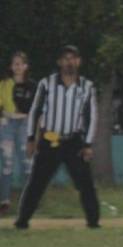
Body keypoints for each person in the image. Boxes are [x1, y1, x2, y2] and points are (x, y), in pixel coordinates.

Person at [15, 45, 99, 229]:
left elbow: (91, 116)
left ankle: (93, 222)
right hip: (50, 139)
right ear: (59, 62)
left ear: (79, 61)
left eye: (73, 58)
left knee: (85, 183)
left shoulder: (87, 86)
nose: (69, 62)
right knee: (37, 182)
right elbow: (35, 112)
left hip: (74, 141)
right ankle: (22, 221)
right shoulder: (47, 84)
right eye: (66, 58)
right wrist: (31, 139)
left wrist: (88, 144)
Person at [0, 51, 35, 216]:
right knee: (7, 163)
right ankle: (4, 201)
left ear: (26, 66)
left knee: (27, 164)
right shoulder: (4, 83)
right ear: (11, 66)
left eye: (20, 63)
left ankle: (27, 203)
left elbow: (37, 109)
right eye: (14, 63)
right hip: (7, 124)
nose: (17, 66)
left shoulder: (32, 86)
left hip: (24, 124)